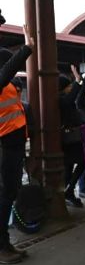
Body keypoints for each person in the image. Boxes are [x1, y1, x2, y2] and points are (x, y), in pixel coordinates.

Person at [0, 23, 34, 264]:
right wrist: (26, 49)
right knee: (4, 195)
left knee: (8, 194)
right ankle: (2, 246)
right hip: (4, 146)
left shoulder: (10, 86)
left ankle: (5, 244)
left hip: (12, 144)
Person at [59, 65, 85, 208]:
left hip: (72, 138)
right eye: (69, 86)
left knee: (70, 166)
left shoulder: (64, 99)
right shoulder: (61, 99)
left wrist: (79, 82)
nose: (71, 88)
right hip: (70, 139)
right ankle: (68, 190)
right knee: (81, 162)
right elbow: (70, 99)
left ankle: (68, 191)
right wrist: (77, 81)